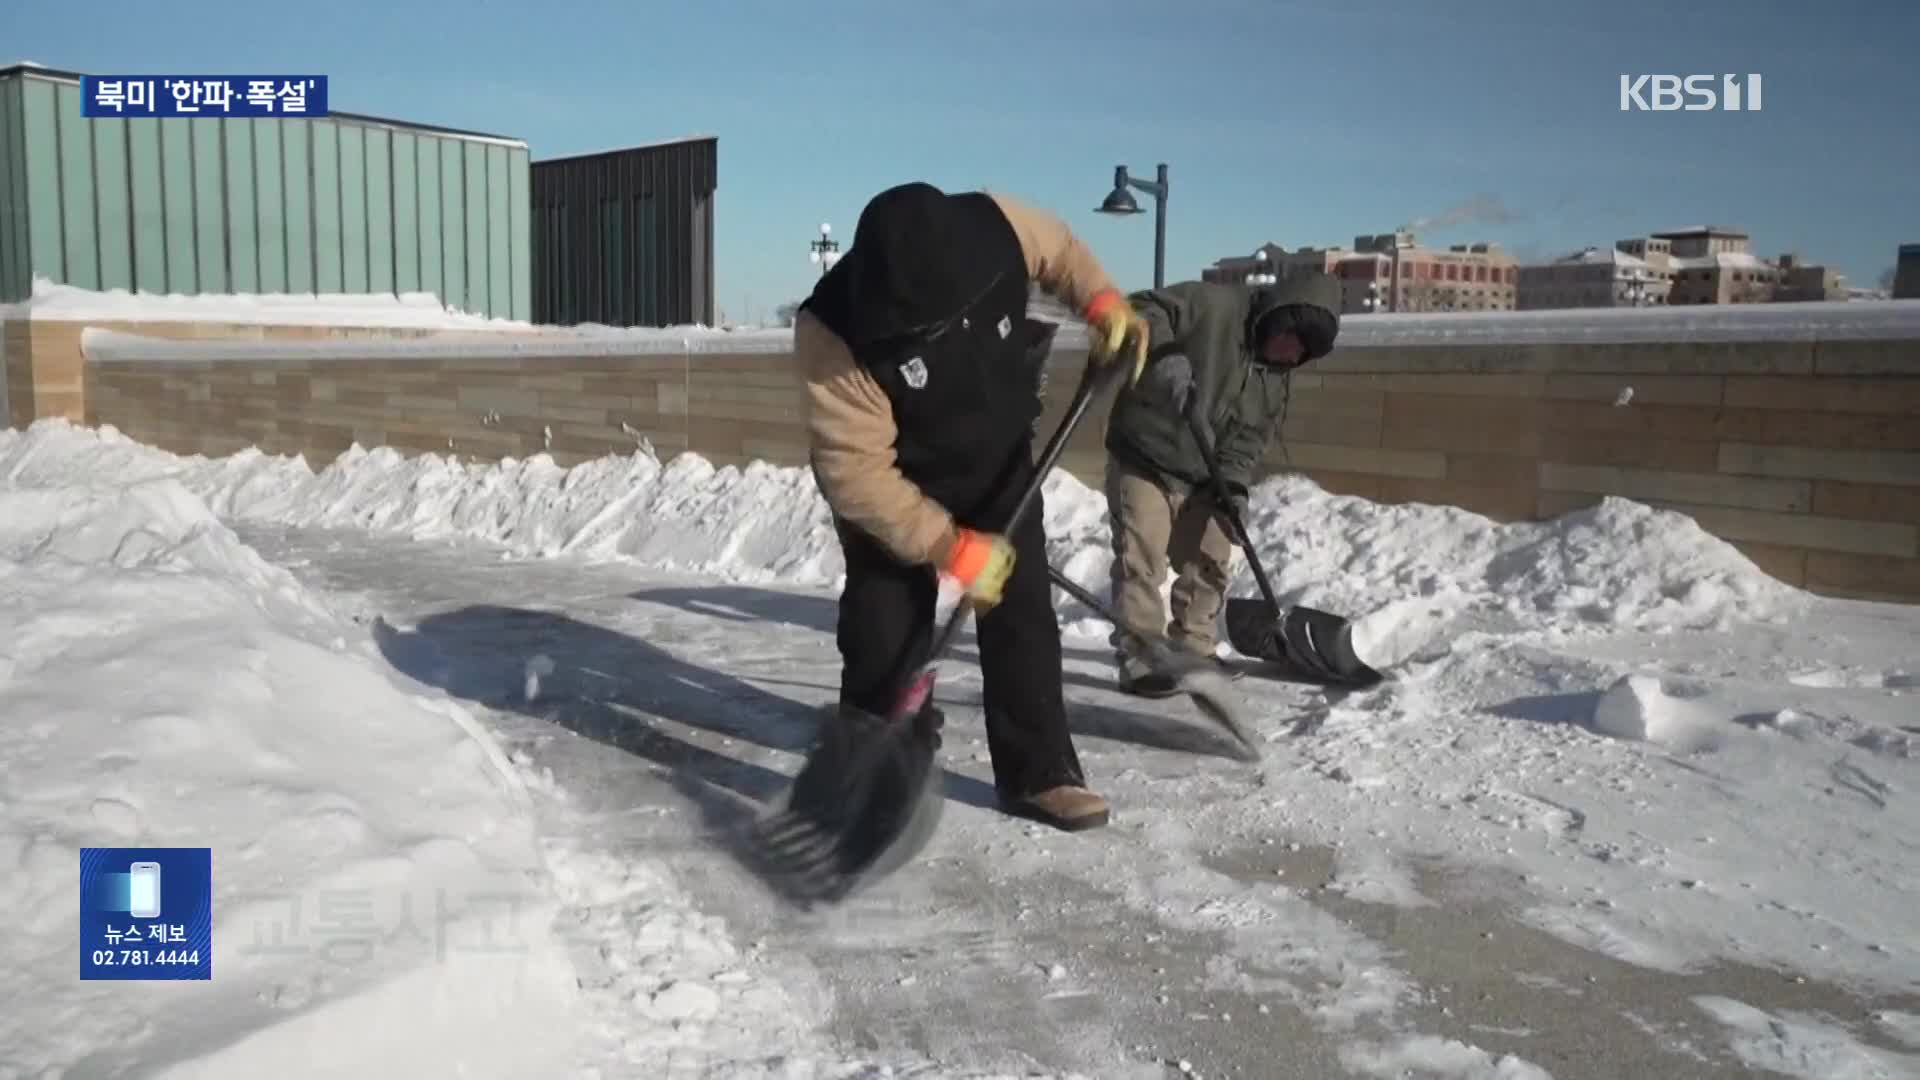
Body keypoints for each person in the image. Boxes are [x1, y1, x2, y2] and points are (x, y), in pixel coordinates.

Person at [793, 181, 1148, 832]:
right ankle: (883, 769)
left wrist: (1100, 300)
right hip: (894, 480)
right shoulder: (833, 329)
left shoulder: (997, 226)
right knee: (883, 630)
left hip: (997, 460)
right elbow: (855, 472)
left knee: (1023, 615)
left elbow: (1062, 252)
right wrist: (949, 547)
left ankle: (1041, 773)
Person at [1099, 273, 1342, 697]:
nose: (1294, 355)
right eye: (1294, 340)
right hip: (1146, 453)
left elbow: (1246, 443)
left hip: (1203, 474)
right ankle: (1141, 658)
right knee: (1142, 557)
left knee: (1211, 557)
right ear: (1281, 319)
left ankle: (1193, 647)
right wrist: (1168, 360)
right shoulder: (1213, 306)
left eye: (1304, 353)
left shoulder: (1275, 375)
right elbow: (1140, 307)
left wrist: (1233, 489)